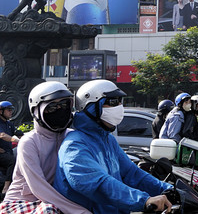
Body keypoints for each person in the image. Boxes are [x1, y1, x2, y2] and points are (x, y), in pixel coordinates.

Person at [54, 79, 171, 214]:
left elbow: (131, 173)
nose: (119, 107)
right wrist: (144, 200)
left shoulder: (107, 139)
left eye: (120, 101)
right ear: (91, 107)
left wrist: (165, 189)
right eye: (113, 102)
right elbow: (99, 185)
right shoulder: (74, 146)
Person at [0, 81, 90, 214]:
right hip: (22, 201)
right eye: (52, 107)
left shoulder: (72, 136)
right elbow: (39, 188)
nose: (59, 110)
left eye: (64, 105)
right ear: (37, 111)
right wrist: (80, 211)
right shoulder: (29, 142)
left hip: (57, 199)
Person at [0, 101, 23, 193]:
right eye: (9, 110)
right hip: (1, 153)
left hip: (7, 152)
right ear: (1, 111)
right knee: (12, 160)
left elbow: (18, 133)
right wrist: (17, 140)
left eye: (11, 110)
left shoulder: (9, 124)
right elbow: (2, 135)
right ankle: (6, 188)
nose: (11, 112)